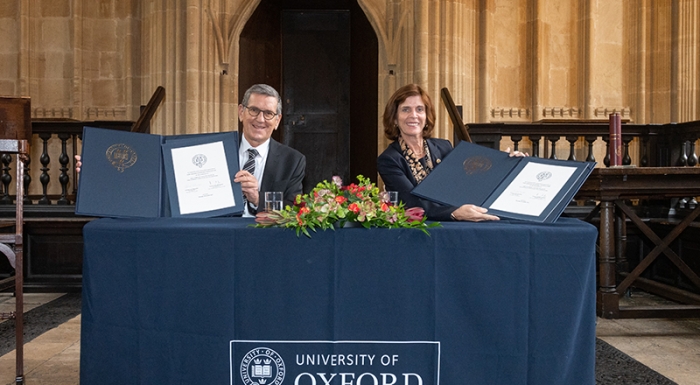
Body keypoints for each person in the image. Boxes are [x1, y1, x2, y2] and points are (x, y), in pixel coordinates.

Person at [76, 83, 305, 217]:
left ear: (277, 120)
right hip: (213, 240)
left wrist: (257, 198)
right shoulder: (210, 150)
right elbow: (155, 176)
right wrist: (98, 172)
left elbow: (296, 210)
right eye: (254, 110)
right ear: (241, 112)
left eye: (268, 114)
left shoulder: (293, 161)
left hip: (264, 245)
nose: (260, 119)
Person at [377, 84, 525, 222]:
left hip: (461, 224)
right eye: (405, 109)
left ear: (426, 117)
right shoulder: (389, 160)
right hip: (424, 230)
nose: (413, 115)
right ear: (395, 119)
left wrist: (506, 164)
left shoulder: (444, 147)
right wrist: (454, 213)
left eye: (420, 109)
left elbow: (470, 180)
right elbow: (411, 203)